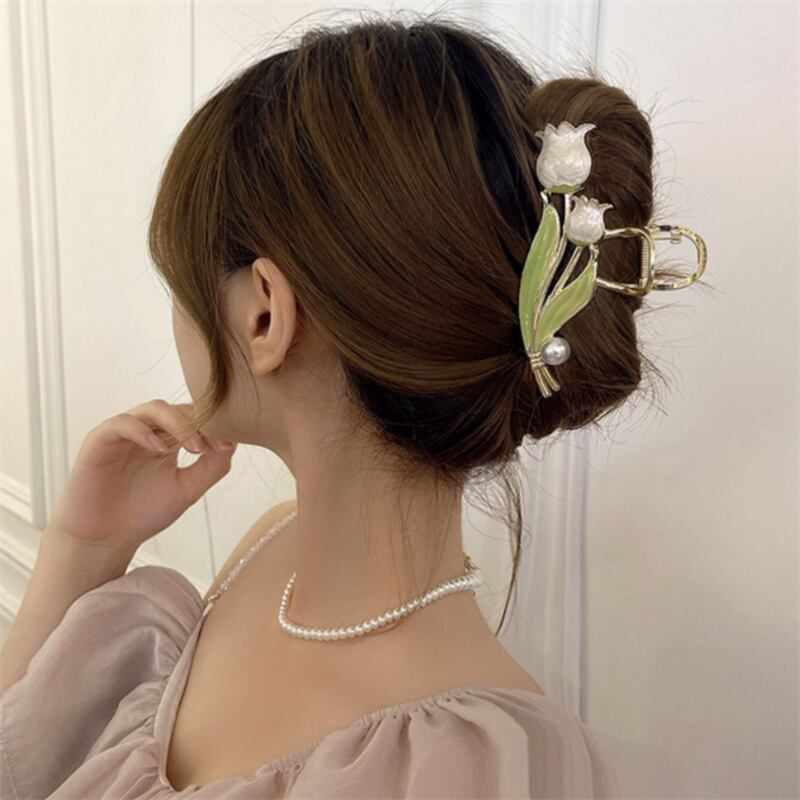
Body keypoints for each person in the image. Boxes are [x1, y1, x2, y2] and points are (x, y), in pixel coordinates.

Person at [0, 12, 711, 798]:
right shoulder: (269, 553)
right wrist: (85, 544)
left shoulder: (469, 773)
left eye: (180, 281)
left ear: (264, 315)